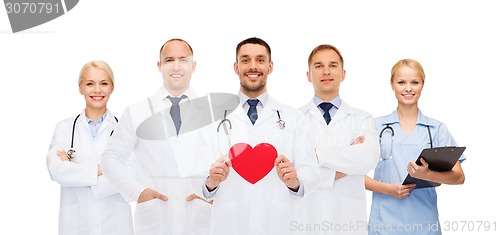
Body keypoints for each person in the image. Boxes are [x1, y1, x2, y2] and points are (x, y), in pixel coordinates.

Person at [202, 37, 321, 235]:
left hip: (278, 224)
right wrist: (210, 181)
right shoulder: (214, 117)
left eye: (260, 60)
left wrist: (295, 181)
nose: (253, 66)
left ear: (270, 66)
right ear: (236, 66)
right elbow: (197, 173)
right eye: (246, 60)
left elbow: (312, 171)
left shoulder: (293, 117)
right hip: (230, 225)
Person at [101, 38, 213, 235]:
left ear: (193, 66)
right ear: (159, 66)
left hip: (200, 216)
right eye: (169, 60)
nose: (176, 66)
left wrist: (212, 193)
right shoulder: (137, 112)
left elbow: (226, 161)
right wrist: (137, 192)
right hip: (154, 218)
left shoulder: (212, 112)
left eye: (183, 60)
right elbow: (111, 158)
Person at [364, 59, 466, 235]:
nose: (408, 88)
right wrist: (389, 189)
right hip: (384, 224)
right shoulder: (375, 127)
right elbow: (352, 175)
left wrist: (427, 175)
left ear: (422, 85)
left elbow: (459, 177)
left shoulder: (436, 129)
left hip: (424, 225)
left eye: (415, 82)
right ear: (392, 85)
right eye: (401, 82)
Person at [295, 44, 379, 235]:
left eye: (333, 65)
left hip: (348, 223)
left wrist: (315, 155)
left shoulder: (362, 118)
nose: (326, 71)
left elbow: (368, 158)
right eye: (318, 66)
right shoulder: (294, 120)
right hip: (305, 222)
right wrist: (345, 164)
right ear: (308, 75)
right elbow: (293, 170)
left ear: (343, 74)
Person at [46, 60, 133, 235]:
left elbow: (128, 175)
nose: (97, 90)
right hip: (76, 224)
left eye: (104, 83)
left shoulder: (126, 130)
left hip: (115, 225)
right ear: (80, 88)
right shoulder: (65, 128)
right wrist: (102, 169)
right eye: (90, 84)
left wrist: (74, 171)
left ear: (112, 88)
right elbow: (56, 170)